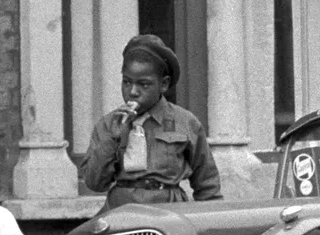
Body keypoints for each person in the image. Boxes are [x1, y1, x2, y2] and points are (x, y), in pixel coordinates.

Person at [77, 33, 221, 208]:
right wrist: (112, 139)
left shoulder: (185, 122)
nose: (133, 92)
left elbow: (207, 183)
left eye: (143, 84)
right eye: (127, 82)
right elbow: (94, 183)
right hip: (121, 211)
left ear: (164, 84)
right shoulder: (109, 124)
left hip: (169, 210)